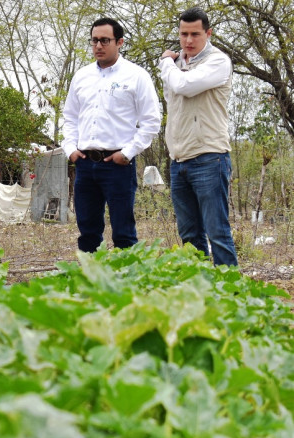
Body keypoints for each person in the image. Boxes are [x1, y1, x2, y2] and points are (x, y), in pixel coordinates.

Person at [62, 18, 161, 253]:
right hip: (85, 164)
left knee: (123, 232)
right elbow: (70, 117)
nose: (98, 46)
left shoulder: (136, 76)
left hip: (117, 164)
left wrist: (127, 153)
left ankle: (126, 285)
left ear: (120, 42)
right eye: (94, 40)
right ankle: (91, 282)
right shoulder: (82, 76)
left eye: (105, 40)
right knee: (87, 231)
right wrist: (71, 150)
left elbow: (151, 122)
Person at [160, 7, 238, 266]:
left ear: (208, 33)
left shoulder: (217, 61)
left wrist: (165, 62)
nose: (189, 41)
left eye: (195, 34)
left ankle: (231, 295)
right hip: (178, 160)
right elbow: (173, 100)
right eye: (184, 34)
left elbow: (185, 86)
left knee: (217, 233)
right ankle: (201, 293)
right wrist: (173, 64)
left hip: (209, 157)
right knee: (190, 236)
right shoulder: (178, 64)